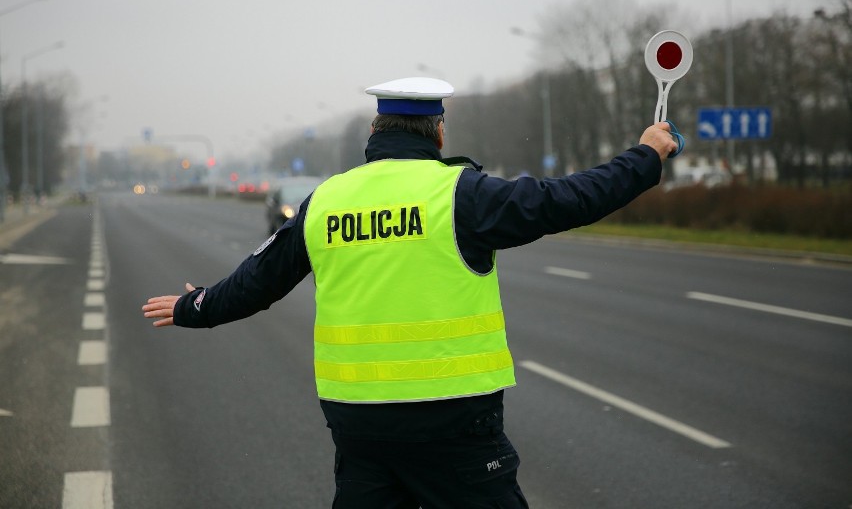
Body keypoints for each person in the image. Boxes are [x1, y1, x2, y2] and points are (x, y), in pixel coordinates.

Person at [143, 76, 678, 508]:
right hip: (455, 425)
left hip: (360, 424)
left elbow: (258, 280)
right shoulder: (460, 195)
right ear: (438, 132)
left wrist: (196, 306)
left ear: (375, 131)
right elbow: (569, 199)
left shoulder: (327, 201)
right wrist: (646, 156)